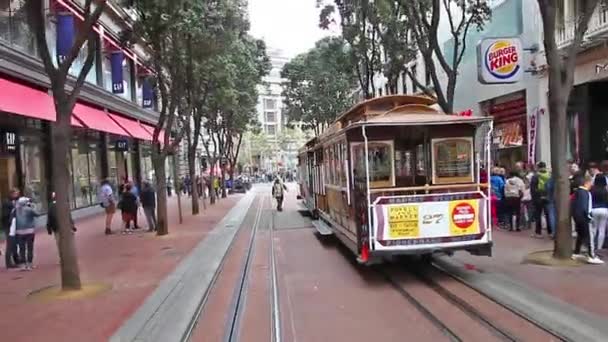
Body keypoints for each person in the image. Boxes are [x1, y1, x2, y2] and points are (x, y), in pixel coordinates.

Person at [572, 175, 604, 264]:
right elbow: (585, 206)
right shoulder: (585, 193)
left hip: (577, 217)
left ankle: (576, 252)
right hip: (584, 218)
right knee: (589, 236)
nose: (591, 184)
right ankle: (591, 255)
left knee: (580, 235)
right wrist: (589, 217)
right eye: (590, 183)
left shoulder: (578, 192)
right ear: (587, 183)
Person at [47, 192, 77, 261]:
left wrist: (49, 229)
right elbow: (68, 216)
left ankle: (62, 258)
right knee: (67, 242)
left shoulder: (51, 206)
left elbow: (49, 218)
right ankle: (69, 256)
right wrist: (72, 226)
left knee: (59, 244)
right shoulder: (64, 204)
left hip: (56, 228)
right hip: (65, 227)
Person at [14, 197, 40, 270]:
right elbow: (37, 214)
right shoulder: (29, 209)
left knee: (22, 249)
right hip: (29, 231)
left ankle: (23, 264)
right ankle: (29, 264)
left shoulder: (16, 210)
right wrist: (33, 206)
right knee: (30, 248)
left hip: (19, 232)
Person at [531, 162, 553, 238]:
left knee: (538, 215)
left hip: (538, 198)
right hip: (547, 197)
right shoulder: (549, 175)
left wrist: (535, 198)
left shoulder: (535, 176)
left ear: (538, 167)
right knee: (548, 215)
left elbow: (533, 189)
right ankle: (550, 232)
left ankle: (538, 232)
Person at [2, 189, 20, 268]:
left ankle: (16, 259)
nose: (17, 195)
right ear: (12, 194)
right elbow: (5, 215)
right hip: (9, 226)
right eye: (16, 194)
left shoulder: (13, 202)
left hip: (13, 225)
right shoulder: (7, 203)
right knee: (10, 244)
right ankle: (8, 263)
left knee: (14, 243)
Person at [591, 175, 608, 251]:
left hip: (594, 209)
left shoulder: (592, 190)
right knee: (602, 230)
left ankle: (592, 246)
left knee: (594, 229)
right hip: (604, 210)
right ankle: (599, 247)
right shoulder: (606, 191)